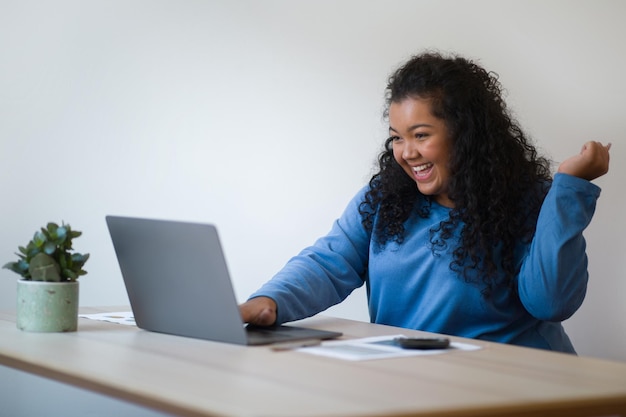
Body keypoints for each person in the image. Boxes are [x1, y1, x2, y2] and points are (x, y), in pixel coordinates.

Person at [239, 51, 611, 353]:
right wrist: (272, 300)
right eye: (397, 138)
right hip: (414, 381)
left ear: (465, 134)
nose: (406, 153)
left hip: (520, 388)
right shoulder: (385, 198)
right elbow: (329, 262)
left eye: (420, 135)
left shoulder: (530, 200)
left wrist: (570, 187)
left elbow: (551, 303)